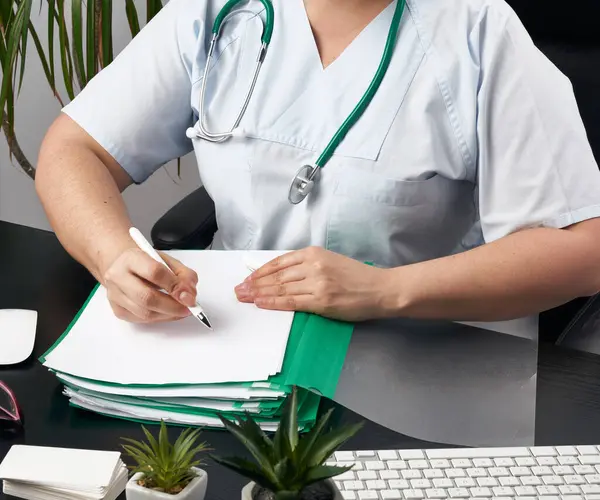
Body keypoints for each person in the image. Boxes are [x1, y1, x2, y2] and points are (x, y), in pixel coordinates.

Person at [35, 0, 600, 325]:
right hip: (235, 330)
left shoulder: (478, 28)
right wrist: (114, 257)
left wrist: (386, 291)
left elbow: (582, 247)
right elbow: (73, 149)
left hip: (426, 341)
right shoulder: (217, 13)